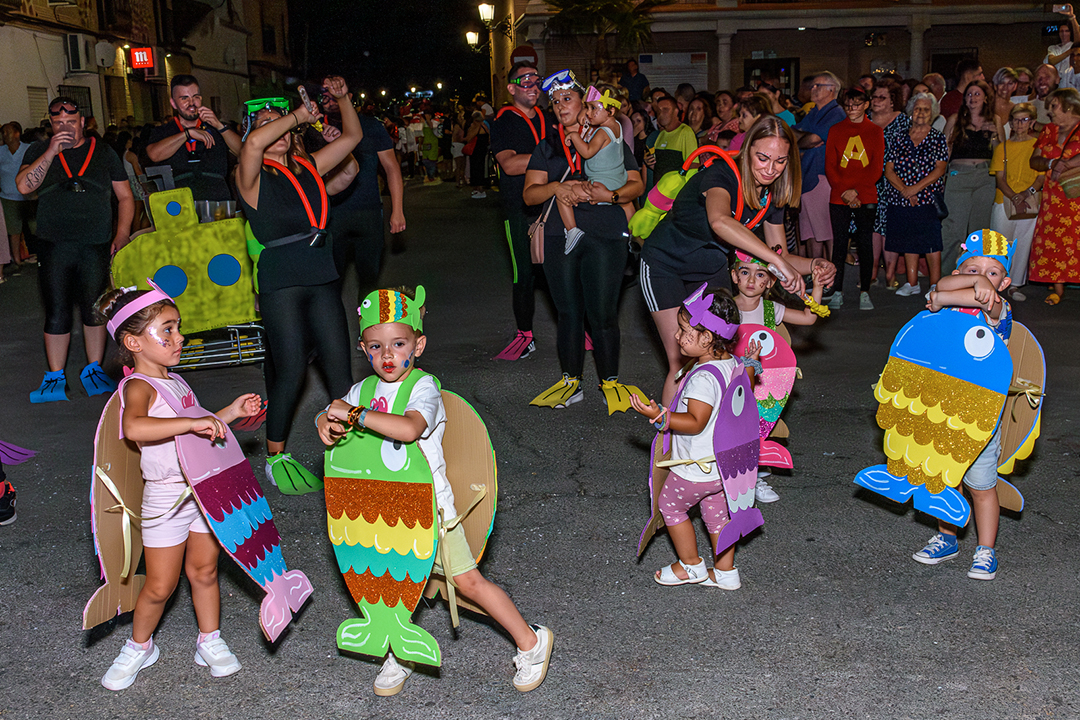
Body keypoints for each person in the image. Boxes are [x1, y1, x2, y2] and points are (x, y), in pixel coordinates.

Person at [316, 286, 554, 695]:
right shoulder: (363, 391)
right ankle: (398, 652)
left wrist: (351, 413)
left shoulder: (423, 388)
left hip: (431, 512)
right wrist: (326, 421)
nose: (387, 355)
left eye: (398, 343)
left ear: (419, 344)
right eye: (376, 346)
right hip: (380, 512)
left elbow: (408, 429)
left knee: (468, 584)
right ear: (363, 348)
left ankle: (532, 641)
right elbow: (336, 419)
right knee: (391, 583)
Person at [95, 285, 263, 690]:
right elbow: (134, 428)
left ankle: (210, 640)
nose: (179, 338)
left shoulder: (177, 382)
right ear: (133, 343)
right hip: (167, 498)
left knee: (204, 571)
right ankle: (140, 646)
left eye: (178, 328)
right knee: (159, 585)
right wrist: (191, 422)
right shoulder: (138, 387)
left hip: (203, 490)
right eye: (166, 330)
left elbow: (195, 430)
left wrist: (230, 413)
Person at [639, 116, 835, 404]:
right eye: (763, 157)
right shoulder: (721, 175)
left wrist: (815, 264)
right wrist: (777, 263)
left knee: (718, 357)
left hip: (709, 270)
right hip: (664, 265)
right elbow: (719, 221)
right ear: (747, 151)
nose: (770, 169)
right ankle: (670, 443)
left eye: (780, 161)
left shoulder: (770, 197)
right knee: (681, 361)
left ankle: (716, 436)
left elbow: (779, 253)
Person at [235, 80, 360, 490]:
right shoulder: (251, 176)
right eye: (268, 125)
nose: (280, 132)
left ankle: (350, 446)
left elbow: (354, 138)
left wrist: (341, 99)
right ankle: (276, 455)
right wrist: (294, 116)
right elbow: (252, 146)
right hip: (281, 278)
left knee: (340, 369)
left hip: (321, 271)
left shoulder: (309, 167)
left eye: (284, 127)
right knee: (290, 370)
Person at [523, 70, 646, 412]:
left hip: (606, 234)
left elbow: (635, 185)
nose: (561, 105)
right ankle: (570, 382)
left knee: (604, 314)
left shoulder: (611, 136)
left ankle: (610, 382)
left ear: (586, 102)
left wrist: (612, 194)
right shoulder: (547, 147)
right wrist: (556, 188)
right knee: (568, 313)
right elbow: (530, 195)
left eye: (568, 99)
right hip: (558, 237)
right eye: (555, 101)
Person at [629, 286, 759, 589]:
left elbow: (696, 421)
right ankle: (726, 573)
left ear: (708, 338)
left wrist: (660, 416)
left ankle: (690, 566)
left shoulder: (703, 378)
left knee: (671, 507)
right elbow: (746, 387)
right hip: (721, 467)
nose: (677, 336)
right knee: (716, 517)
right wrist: (752, 362)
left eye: (685, 330)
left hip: (695, 467)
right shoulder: (733, 364)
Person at [16, 96, 133, 403]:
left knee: (95, 309)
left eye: (71, 121)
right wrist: (52, 150)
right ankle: (55, 377)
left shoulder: (104, 152)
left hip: (94, 241)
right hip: (54, 242)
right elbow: (24, 187)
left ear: (83, 122)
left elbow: (125, 196)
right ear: (51, 125)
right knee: (57, 311)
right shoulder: (40, 149)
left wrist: (121, 234)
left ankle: (93, 370)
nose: (65, 127)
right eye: (58, 123)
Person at [916, 233, 1016, 580]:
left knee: (981, 486)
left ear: (1005, 282)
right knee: (945, 480)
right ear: (958, 272)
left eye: (992, 272)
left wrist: (945, 293)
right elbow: (938, 289)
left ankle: (986, 549)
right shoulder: (950, 301)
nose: (982, 277)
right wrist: (949, 289)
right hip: (944, 409)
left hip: (982, 415)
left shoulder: (998, 309)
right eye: (973, 268)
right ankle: (947, 538)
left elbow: (947, 294)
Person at [730, 252, 827, 503]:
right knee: (732, 428)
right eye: (745, 272)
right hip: (732, 378)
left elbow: (809, 317)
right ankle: (734, 475)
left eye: (760, 274)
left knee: (759, 426)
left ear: (770, 282)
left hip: (764, 382)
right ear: (734, 276)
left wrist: (816, 286)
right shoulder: (725, 309)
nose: (752, 279)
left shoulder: (772, 310)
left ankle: (755, 477)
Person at [315, 77, 405, 302]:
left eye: (334, 95)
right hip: (332, 215)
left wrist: (398, 210)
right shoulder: (315, 129)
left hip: (368, 213)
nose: (328, 100)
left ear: (348, 96)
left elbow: (392, 168)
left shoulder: (371, 126)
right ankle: (334, 335)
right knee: (331, 284)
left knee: (369, 283)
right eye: (324, 96)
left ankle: (368, 336)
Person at [491, 62, 555, 361]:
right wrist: (550, 158)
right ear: (512, 88)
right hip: (519, 207)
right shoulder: (504, 121)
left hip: (553, 204)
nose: (532, 84)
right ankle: (525, 335)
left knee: (562, 269)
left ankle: (575, 327)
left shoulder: (550, 116)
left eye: (536, 79)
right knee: (524, 274)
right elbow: (509, 164)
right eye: (524, 79)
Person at [882, 92, 949, 297]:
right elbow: (888, 169)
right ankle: (912, 283)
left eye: (926, 109)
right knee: (908, 240)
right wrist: (905, 191)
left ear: (933, 114)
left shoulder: (937, 138)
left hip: (927, 198)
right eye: (918, 108)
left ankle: (935, 286)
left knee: (931, 243)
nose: (921, 113)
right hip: (900, 198)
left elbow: (940, 169)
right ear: (911, 111)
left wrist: (915, 189)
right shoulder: (898, 136)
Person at [824, 87, 885, 310]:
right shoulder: (835, 130)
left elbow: (876, 169)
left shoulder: (875, 131)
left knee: (865, 244)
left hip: (865, 195)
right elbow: (830, 165)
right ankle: (837, 289)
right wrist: (845, 192)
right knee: (839, 245)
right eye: (848, 105)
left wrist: (856, 192)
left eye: (857, 105)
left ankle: (865, 291)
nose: (852, 109)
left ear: (866, 105)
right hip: (840, 195)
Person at [144, 75, 241, 202]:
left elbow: (244, 152)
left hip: (218, 205)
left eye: (195, 97)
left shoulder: (216, 128)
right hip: (180, 206)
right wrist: (187, 134)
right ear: (173, 103)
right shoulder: (163, 131)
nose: (191, 103)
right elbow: (154, 155)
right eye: (184, 98)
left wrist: (219, 125)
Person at [1027, 87, 1080, 304]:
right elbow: (1034, 160)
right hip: (1053, 199)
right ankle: (1057, 290)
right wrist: (1051, 163)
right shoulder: (1048, 130)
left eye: (1054, 106)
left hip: (1077, 197)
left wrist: (1067, 164)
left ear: (1069, 105)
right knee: (1053, 242)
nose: (1049, 111)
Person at [560, 86, 627, 254]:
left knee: (562, 193)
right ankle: (633, 234)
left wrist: (574, 137)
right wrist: (588, 114)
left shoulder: (603, 132)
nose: (588, 113)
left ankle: (572, 230)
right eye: (587, 107)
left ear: (611, 110)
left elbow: (587, 152)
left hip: (600, 185)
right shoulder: (616, 126)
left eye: (593, 108)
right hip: (617, 181)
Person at [942, 80, 999, 273]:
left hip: (985, 177)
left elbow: (1001, 154)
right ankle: (946, 277)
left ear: (985, 97)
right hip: (959, 176)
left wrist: (996, 135)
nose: (972, 98)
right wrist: (940, 180)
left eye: (976, 94)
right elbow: (944, 152)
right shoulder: (955, 119)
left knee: (980, 231)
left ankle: (980, 276)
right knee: (953, 230)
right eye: (969, 94)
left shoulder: (995, 120)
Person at [989, 102, 1043, 301]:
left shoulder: (1038, 146)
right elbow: (999, 178)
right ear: (1010, 122)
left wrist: (1026, 193)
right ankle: (994, 282)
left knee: (1022, 244)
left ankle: (1015, 284)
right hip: (1004, 200)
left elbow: (1040, 178)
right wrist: (1013, 196)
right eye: (1016, 120)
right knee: (999, 244)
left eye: (1024, 120)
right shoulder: (1003, 147)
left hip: (1028, 201)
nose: (1020, 124)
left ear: (1032, 122)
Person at [794, 72, 846, 259]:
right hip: (808, 177)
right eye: (812, 86)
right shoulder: (815, 112)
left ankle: (832, 275)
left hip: (822, 177)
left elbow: (812, 139)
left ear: (832, 89)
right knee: (811, 232)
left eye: (818, 86)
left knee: (826, 231)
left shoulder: (836, 113)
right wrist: (803, 139)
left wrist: (804, 139)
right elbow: (795, 133)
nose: (813, 89)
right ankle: (815, 271)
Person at [869, 80, 910, 288]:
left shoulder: (902, 121)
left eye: (881, 97)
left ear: (893, 101)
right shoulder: (865, 120)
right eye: (874, 96)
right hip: (868, 180)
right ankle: (872, 271)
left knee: (890, 227)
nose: (876, 101)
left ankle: (890, 274)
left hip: (893, 179)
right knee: (871, 227)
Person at [0, 122, 32, 274]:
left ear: (17, 133)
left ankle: (41, 255)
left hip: (28, 196)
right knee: (14, 230)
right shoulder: (1, 152)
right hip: (8, 197)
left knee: (35, 227)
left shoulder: (28, 149)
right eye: (3, 133)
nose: (4, 135)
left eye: (7, 132)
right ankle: (17, 259)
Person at [647, 95, 697, 181]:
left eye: (665, 110)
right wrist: (650, 163)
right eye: (658, 111)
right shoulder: (661, 134)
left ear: (676, 111)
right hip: (661, 190)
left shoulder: (685, 132)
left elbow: (693, 165)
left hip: (676, 191)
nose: (661, 114)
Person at [1046, 4, 1080, 77]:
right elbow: (1052, 61)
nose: (1064, 33)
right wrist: (1070, 51)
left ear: (1070, 33)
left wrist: (1072, 17)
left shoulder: (1072, 45)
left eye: (1066, 31)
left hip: (1070, 79)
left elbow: (1078, 37)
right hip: (1057, 80)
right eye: (1061, 31)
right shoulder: (1053, 48)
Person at [464, 110, 490, 198]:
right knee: (481, 169)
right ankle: (480, 188)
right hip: (483, 150)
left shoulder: (476, 126)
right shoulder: (485, 126)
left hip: (475, 151)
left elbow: (469, 138)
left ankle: (478, 189)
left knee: (475, 169)